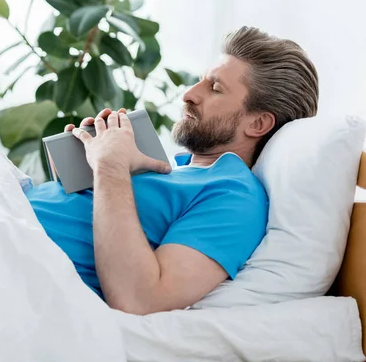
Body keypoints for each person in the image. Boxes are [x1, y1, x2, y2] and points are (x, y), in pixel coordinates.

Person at [24, 26, 319, 315]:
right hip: (0, 219)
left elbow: (141, 299)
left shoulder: (235, 197)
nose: (189, 94)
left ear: (257, 124)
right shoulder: (169, 169)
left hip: (5, 253)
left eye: (215, 88)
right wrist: (87, 163)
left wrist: (110, 165)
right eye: (201, 81)